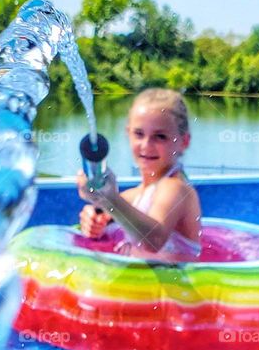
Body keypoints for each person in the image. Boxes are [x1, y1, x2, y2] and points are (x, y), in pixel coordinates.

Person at [76, 88, 202, 262]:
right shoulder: (134, 196)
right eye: (139, 134)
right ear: (128, 133)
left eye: (160, 136)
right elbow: (109, 214)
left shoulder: (177, 188)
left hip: (174, 288)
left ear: (184, 142)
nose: (146, 145)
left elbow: (154, 239)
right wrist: (93, 220)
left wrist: (109, 200)